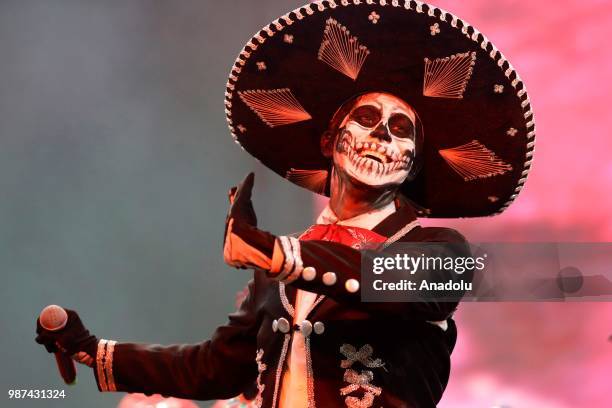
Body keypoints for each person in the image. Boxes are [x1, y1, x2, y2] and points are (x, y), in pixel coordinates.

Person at [35, 2, 535, 407]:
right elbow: (211, 368)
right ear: (329, 141)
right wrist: (94, 351)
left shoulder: (441, 250)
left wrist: (276, 253)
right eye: (366, 118)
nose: (381, 137)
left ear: (413, 163)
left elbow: (395, 280)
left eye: (402, 132)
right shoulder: (279, 268)